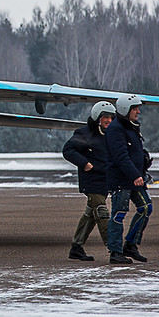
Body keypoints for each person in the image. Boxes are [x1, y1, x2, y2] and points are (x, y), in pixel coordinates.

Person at [62, 101, 115, 261]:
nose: (108, 120)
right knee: (101, 212)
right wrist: (84, 163)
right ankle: (114, 249)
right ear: (97, 117)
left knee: (90, 215)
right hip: (91, 181)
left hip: (105, 181)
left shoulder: (110, 134)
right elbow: (68, 150)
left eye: (111, 117)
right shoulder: (84, 133)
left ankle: (76, 247)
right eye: (105, 117)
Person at [104, 93, 152, 264]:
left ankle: (130, 245)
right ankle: (115, 252)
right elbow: (121, 157)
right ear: (126, 109)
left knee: (146, 208)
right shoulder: (115, 129)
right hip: (121, 180)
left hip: (135, 179)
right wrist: (135, 175)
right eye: (135, 108)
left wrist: (143, 160)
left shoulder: (131, 126)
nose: (138, 111)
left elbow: (133, 152)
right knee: (118, 214)